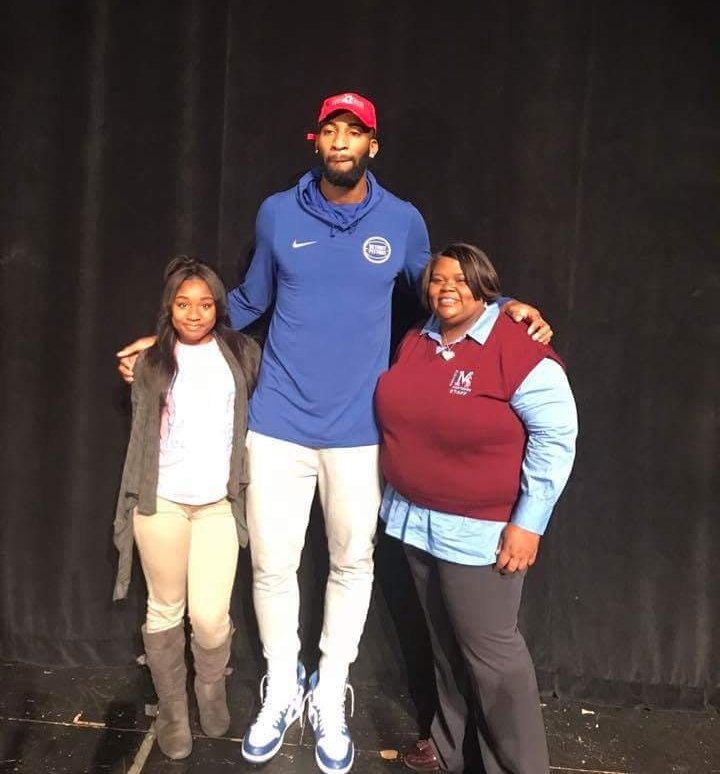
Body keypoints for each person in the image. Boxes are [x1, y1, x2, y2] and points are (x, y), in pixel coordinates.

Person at [116, 93, 552, 774]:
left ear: (372, 146)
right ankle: (284, 686)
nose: (343, 141)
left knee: (352, 564)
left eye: (357, 132)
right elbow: (251, 298)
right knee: (271, 565)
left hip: (359, 433)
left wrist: (502, 305)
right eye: (332, 130)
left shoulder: (402, 220)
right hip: (279, 425)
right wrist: (169, 336)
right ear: (315, 140)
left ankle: (329, 690)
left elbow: (439, 293)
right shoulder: (277, 212)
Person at [375, 243, 577, 774]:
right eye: (438, 280)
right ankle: (447, 745)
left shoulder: (516, 344)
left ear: (486, 285)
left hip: (481, 532)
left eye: (461, 281)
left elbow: (556, 437)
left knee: (492, 659)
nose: (447, 289)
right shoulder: (416, 340)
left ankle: (518, 765)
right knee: (442, 647)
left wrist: (528, 524)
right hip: (415, 522)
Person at [113, 256, 260, 760]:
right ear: (169, 308)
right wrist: (149, 352)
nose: (194, 313)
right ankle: (174, 708)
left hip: (218, 505)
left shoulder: (242, 353)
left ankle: (210, 691)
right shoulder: (151, 360)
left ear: (218, 307)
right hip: (162, 502)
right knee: (164, 609)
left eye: (204, 304)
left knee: (210, 617)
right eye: (182, 304)